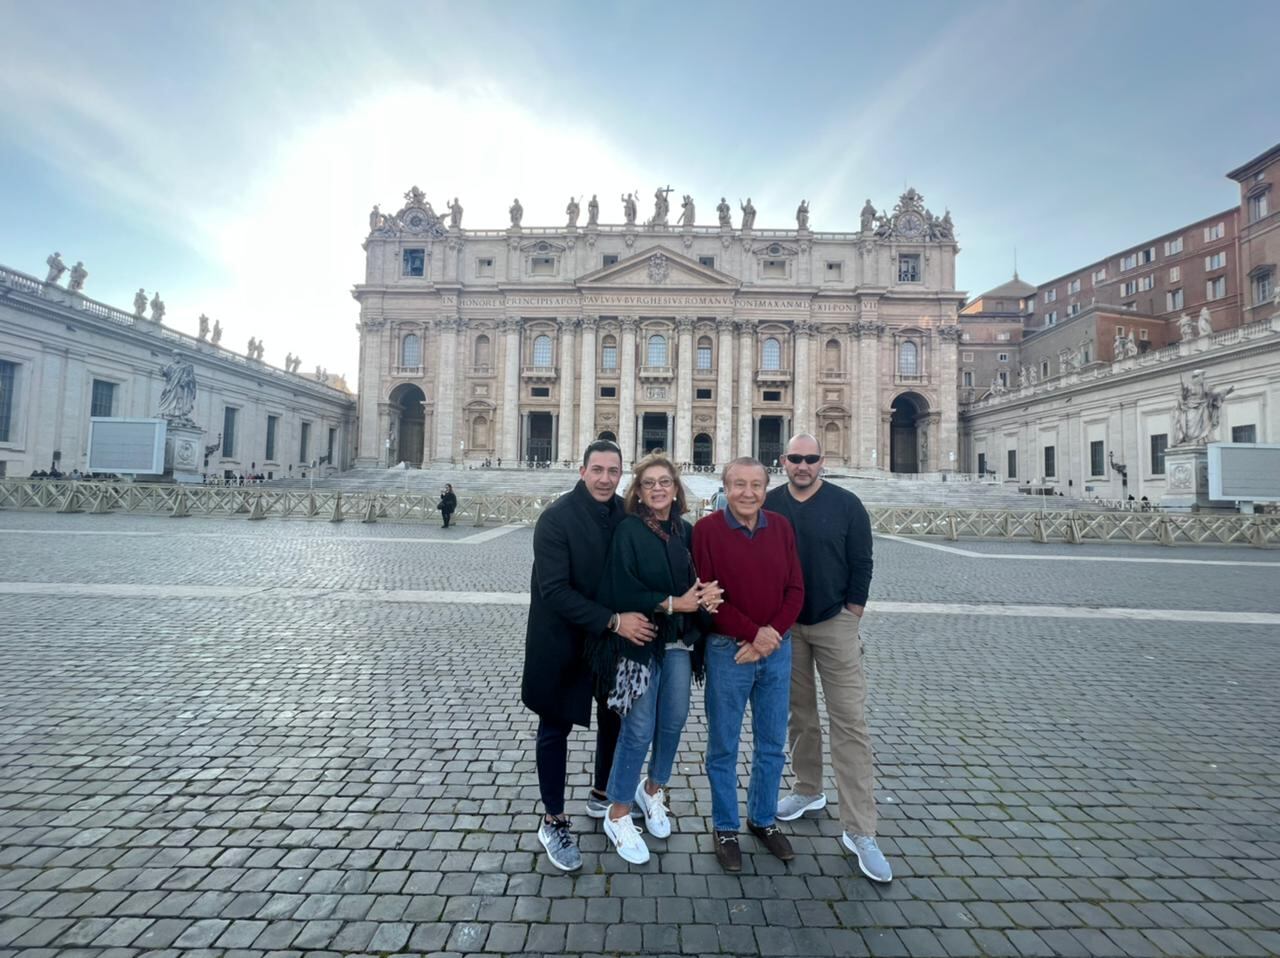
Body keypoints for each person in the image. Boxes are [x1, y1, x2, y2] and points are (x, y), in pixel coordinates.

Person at [522, 440, 657, 871]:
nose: (604, 478)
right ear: (582, 472)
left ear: (622, 475)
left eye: (612, 471)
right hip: (560, 639)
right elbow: (555, 591)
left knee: (613, 719)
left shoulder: (628, 517)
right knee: (555, 726)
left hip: (608, 644)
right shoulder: (556, 518)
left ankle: (603, 794)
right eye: (596, 470)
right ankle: (554, 819)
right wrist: (616, 621)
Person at [765, 433, 891, 883]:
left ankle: (861, 830)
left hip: (834, 622)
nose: (802, 465)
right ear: (783, 461)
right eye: (795, 458)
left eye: (810, 459)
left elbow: (863, 561)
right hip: (787, 626)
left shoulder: (848, 504)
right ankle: (808, 789)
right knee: (798, 714)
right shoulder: (769, 501)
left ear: (823, 461)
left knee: (849, 723)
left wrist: (852, 611)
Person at [591, 454, 722, 864]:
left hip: (678, 643)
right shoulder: (628, 530)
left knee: (675, 719)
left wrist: (708, 598)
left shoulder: (686, 531)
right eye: (650, 483)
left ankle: (652, 790)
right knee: (639, 726)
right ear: (639, 491)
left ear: (676, 488)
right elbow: (617, 587)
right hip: (639, 643)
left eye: (665, 481)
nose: (659, 489)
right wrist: (670, 603)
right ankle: (618, 812)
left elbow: (697, 585)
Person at [693, 457, 804, 871]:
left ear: (766, 487)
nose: (747, 493)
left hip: (776, 648)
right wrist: (753, 633)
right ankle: (725, 827)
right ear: (724, 487)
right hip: (727, 651)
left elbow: (796, 589)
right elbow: (708, 596)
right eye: (738, 484)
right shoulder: (706, 531)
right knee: (723, 746)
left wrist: (769, 634)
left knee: (772, 743)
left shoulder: (783, 528)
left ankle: (762, 819)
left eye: (755, 485)